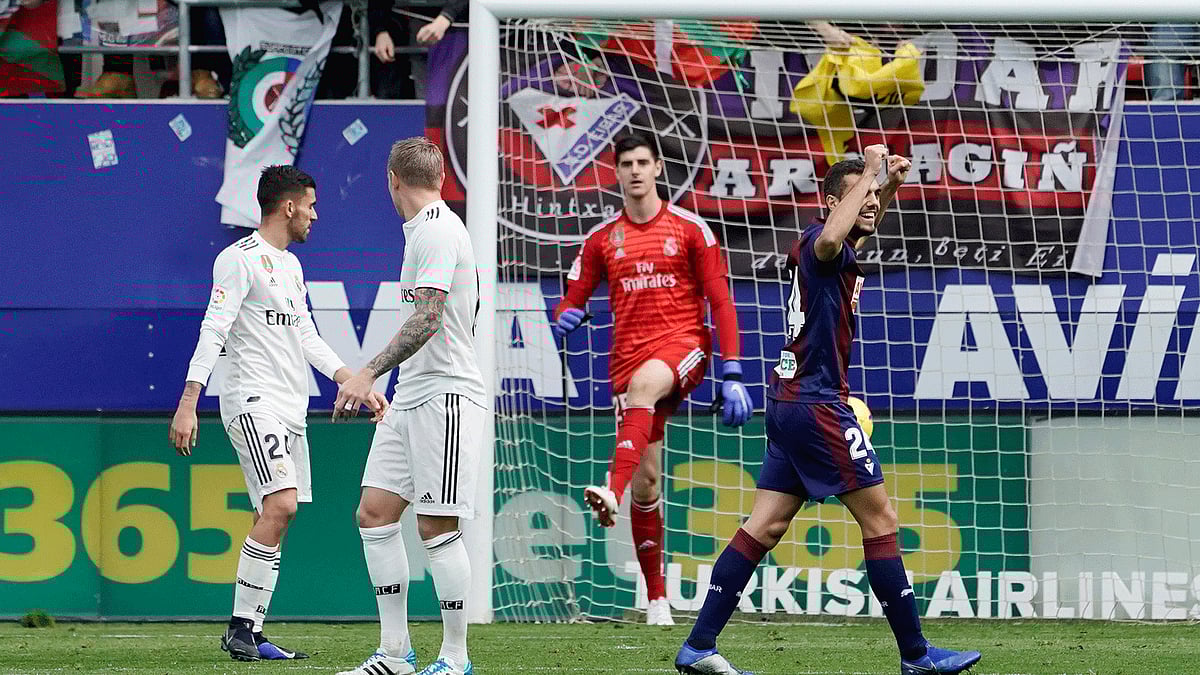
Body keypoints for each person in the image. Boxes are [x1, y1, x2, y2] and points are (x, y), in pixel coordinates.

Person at [673, 146, 982, 675]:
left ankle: (699, 646)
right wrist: (871, 168)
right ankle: (917, 656)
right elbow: (839, 232)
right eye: (858, 196)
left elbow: (859, 222)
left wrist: (888, 184)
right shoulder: (821, 241)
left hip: (790, 401)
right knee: (882, 518)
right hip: (816, 404)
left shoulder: (836, 243)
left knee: (765, 525)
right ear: (832, 201)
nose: (869, 206)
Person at [169, 165, 386, 662]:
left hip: (290, 408)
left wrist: (351, 379)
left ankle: (251, 630)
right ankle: (240, 628)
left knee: (276, 514)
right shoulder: (237, 259)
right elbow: (213, 329)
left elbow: (305, 336)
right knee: (281, 503)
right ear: (288, 207)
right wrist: (188, 402)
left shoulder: (290, 267)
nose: (314, 215)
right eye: (310, 205)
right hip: (252, 400)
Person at [553, 132, 752, 626]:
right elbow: (572, 297)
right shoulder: (602, 239)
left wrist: (731, 370)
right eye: (627, 163)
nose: (636, 171)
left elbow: (721, 302)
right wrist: (566, 316)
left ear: (658, 168)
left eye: (644, 162)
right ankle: (658, 600)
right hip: (625, 361)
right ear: (615, 172)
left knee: (645, 389)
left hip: (684, 348)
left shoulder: (690, 229)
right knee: (647, 482)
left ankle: (609, 491)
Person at [334, 136, 484, 675]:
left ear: (391, 179)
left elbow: (428, 319)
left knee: (436, 527)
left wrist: (366, 373)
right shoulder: (421, 231)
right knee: (374, 513)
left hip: (446, 395)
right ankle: (395, 653)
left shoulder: (440, 229)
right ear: (440, 177)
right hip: (411, 394)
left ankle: (455, 657)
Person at [368, 0, 465, 99]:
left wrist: (446, 17)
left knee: (462, 93)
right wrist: (380, 31)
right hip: (419, 21)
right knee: (427, 96)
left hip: (465, 24)